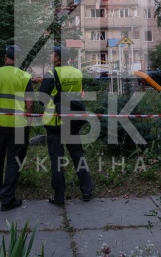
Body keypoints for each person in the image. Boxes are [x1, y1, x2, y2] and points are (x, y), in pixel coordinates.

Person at [40, 45, 93, 206]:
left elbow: (42, 97)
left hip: (55, 122)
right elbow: (79, 94)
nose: (50, 56)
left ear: (57, 58)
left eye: (52, 54)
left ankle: (59, 197)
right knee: (78, 156)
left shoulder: (51, 74)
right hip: (73, 121)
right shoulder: (78, 73)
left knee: (57, 160)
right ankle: (87, 191)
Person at [0, 45, 34, 212]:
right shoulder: (24, 76)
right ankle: (7, 199)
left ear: (5, 56)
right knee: (14, 160)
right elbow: (29, 103)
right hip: (18, 126)